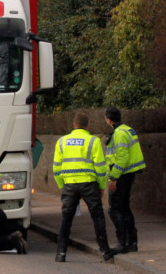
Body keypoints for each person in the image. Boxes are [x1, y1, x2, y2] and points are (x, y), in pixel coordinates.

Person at [53, 112, 116, 262]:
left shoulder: (61, 141)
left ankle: (60, 253)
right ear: (87, 126)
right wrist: (101, 187)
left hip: (69, 184)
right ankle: (105, 251)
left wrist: (62, 185)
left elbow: (56, 168)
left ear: (74, 125)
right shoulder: (93, 141)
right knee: (98, 217)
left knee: (66, 219)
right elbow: (100, 167)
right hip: (89, 184)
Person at [104, 106, 146, 254]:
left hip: (121, 175)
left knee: (114, 209)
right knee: (125, 208)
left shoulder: (119, 134)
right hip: (128, 174)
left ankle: (122, 242)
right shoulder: (128, 129)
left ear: (109, 119)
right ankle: (132, 242)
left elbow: (122, 158)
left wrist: (113, 178)